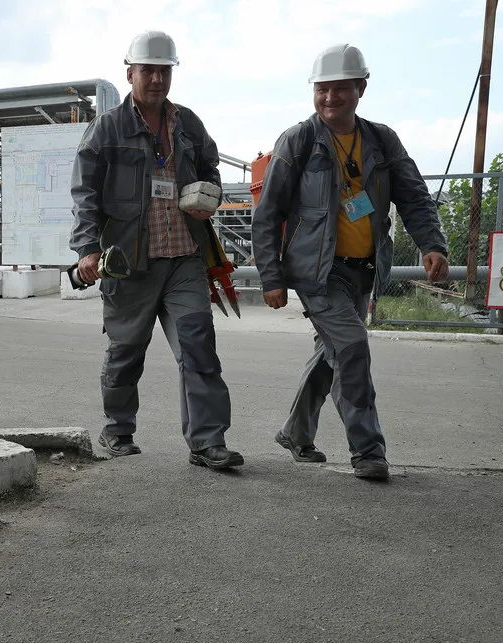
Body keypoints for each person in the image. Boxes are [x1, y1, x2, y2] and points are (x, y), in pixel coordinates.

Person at [251, 44, 449, 480]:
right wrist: (272, 277)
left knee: (333, 353)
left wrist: (432, 244)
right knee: (353, 348)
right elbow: (268, 214)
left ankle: (295, 432)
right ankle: (368, 451)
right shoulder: (297, 141)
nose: (330, 98)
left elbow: (414, 195)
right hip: (317, 273)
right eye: (322, 89)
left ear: (361, 87)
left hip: (364, 270)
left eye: (341, 88)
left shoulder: (381, 140)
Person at [68, 30, 244, 469]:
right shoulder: (107, 129)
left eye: (164, 71)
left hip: (185, 255)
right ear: (130, 73)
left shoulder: (188, 123)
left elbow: (210, 168)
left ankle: (207, 442)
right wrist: (88, 248)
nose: (157, 80)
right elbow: (85, 193)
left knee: (198, 343)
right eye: (148, 71)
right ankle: (117, 429)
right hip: (130, 263)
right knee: (126, 351)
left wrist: (209, 195)